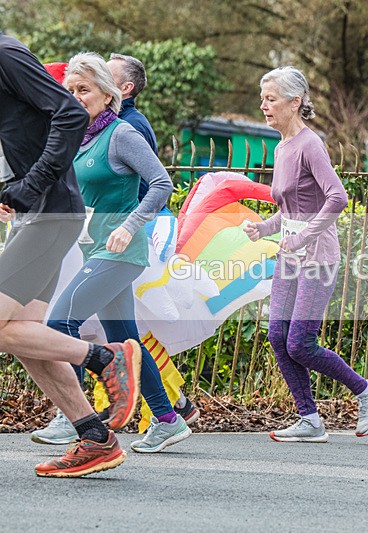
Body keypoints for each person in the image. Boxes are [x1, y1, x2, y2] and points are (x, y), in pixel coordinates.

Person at [30, 52, 191, 453]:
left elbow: (161, 184)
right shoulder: (80, 138)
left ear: (107, 93)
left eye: (83, 89)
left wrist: (128, 225)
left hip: (120, 252)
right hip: (94, 251)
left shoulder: (121, 135)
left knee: (59, 323)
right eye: (69, 90)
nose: (75, 96)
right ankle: (169, 420)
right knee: (126, 339)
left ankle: (73, 417)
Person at [0, 33, 141, 477]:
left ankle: (105, 359)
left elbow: (67, 114)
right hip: (35, 214)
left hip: (50, 210)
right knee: (21, 334)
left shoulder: (4, 54)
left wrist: (31, 185)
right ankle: (95, 439)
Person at [244, 66, 368, 442]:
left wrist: (305, 235)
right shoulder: (281, 147)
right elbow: (292, 207)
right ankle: (310, 419)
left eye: (270, 99)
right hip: (289, 257)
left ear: (295, 102)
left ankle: (367, 391)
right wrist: (264, 228)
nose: (263, 106)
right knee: (277, 336)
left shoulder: (310, 144)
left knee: (300, 343)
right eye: (263, 99)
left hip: (318, 258)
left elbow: (336, 197)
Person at [106, 52, 200, 424]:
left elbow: (154, 185)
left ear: (125, 88)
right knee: (125, 329)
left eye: (104, 75)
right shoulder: (107, 124)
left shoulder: (130, 126)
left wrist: (131, 226)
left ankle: (169, 408)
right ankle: (173, 406)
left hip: (139, 234)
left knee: (127, 328)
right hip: (120, 233)